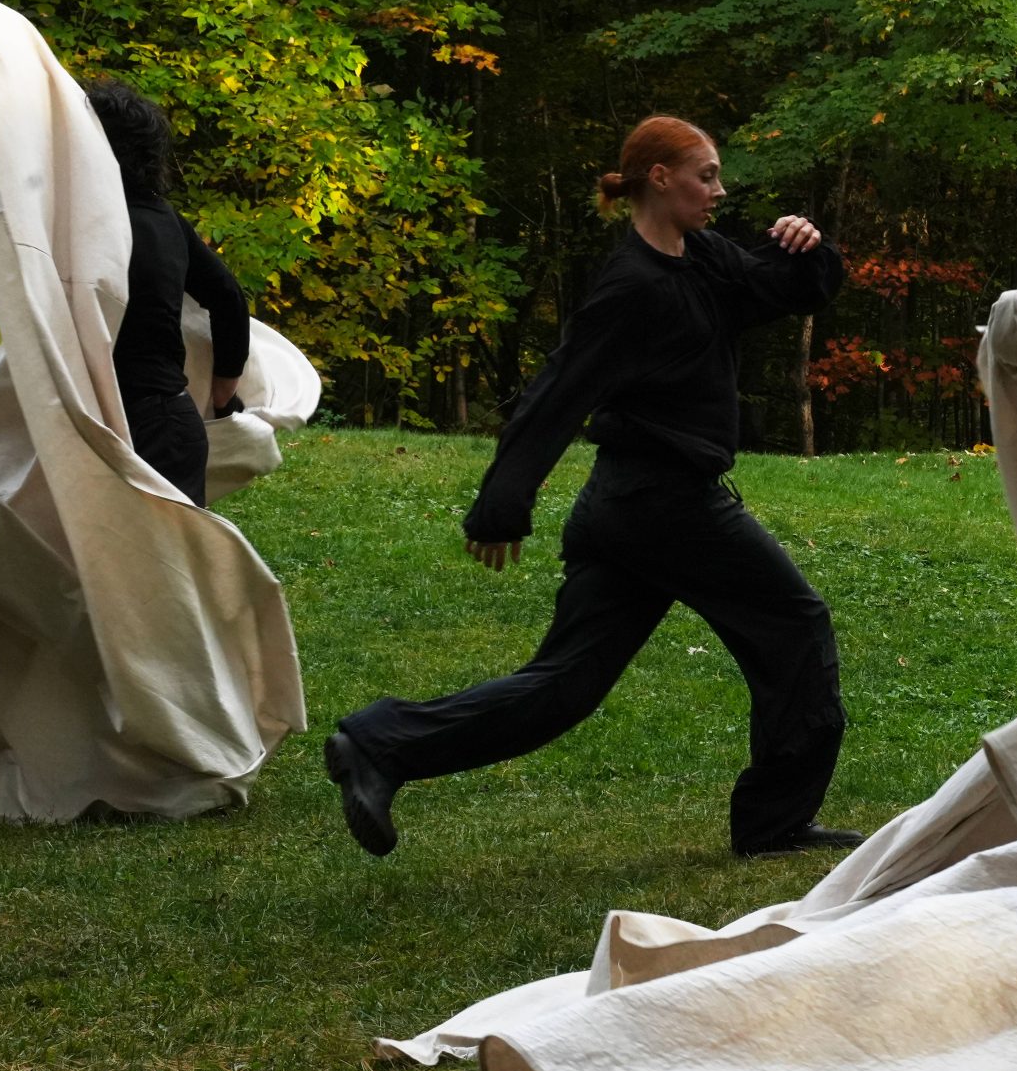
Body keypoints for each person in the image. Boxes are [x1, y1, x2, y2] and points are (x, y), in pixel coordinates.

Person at [325, 116, 861, 860]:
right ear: (660, 178)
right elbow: (560, 389)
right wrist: (502, 502)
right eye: (706, 174)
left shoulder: (701, 256)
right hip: (665, 505)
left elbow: (777, 289)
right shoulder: (631, 286)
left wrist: (805, 246)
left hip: (628, 511)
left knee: (565, 686)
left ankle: (379, 743)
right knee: (795, 625)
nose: (720, 188)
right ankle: (775, 824)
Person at [86, 79, 249, 506]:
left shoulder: (88, 223)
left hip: (142, 426)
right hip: (161, 424)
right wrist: (223, 393)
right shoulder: (163, 218)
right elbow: (229, 296)